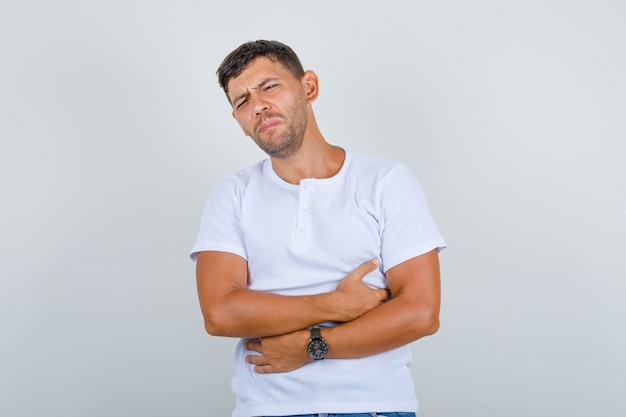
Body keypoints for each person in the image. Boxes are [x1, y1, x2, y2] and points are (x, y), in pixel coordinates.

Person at [190, 39, 446, 417]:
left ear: (309, 87)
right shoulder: (233, 193)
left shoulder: (387, 181)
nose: (257, 105)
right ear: (239, 122)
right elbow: (221, 314)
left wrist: (311, 346)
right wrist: (336, 305)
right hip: (267, 408)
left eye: (269, 86)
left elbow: (420, 312)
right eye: (241, 101)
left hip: (375, 407)